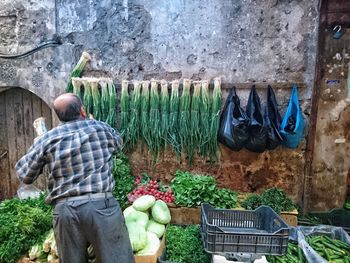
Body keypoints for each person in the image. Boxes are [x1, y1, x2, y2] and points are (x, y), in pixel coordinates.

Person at [16, 93, 134, 263]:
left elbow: (25, 175)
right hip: (102, 207)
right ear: (82, 110)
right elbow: (119, 145)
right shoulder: (101, 128)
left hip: (65, 212)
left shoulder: (47, 139)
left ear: (59, 116)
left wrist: (40, 144)